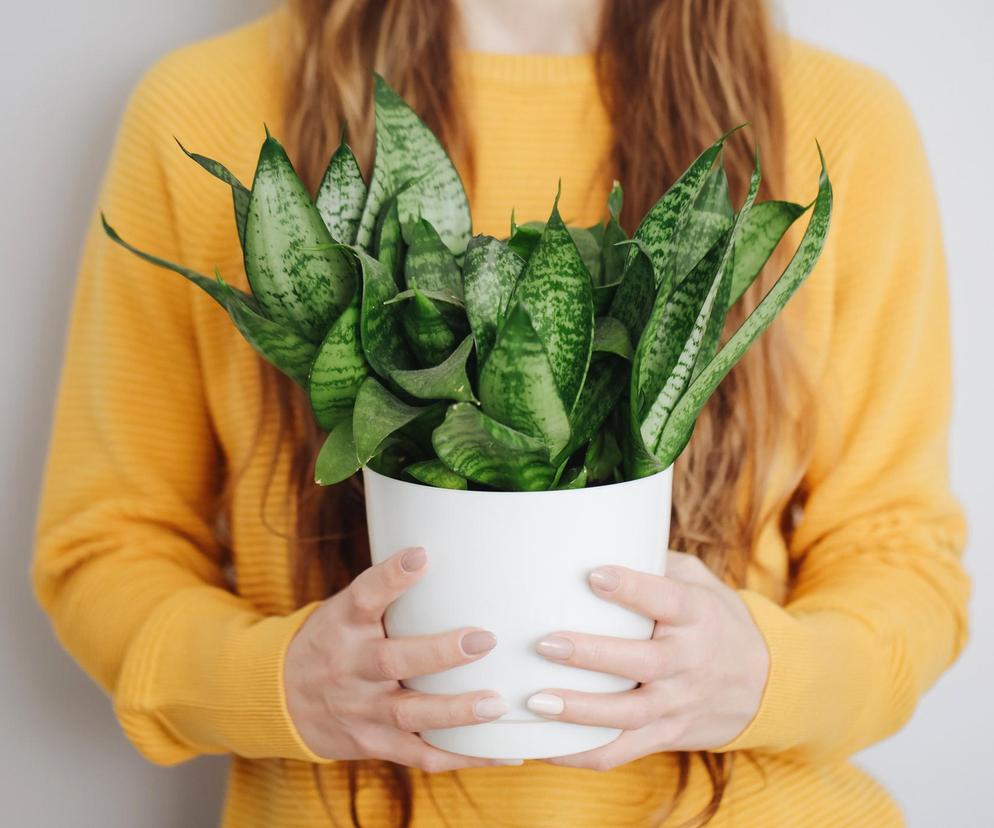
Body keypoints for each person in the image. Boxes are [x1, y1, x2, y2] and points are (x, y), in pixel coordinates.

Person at [33, 0, 969, 825]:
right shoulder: (210, 105)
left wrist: (766, 678)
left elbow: (901, 559)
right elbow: (106, 547)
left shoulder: (834, 122)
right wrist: (277, 685)